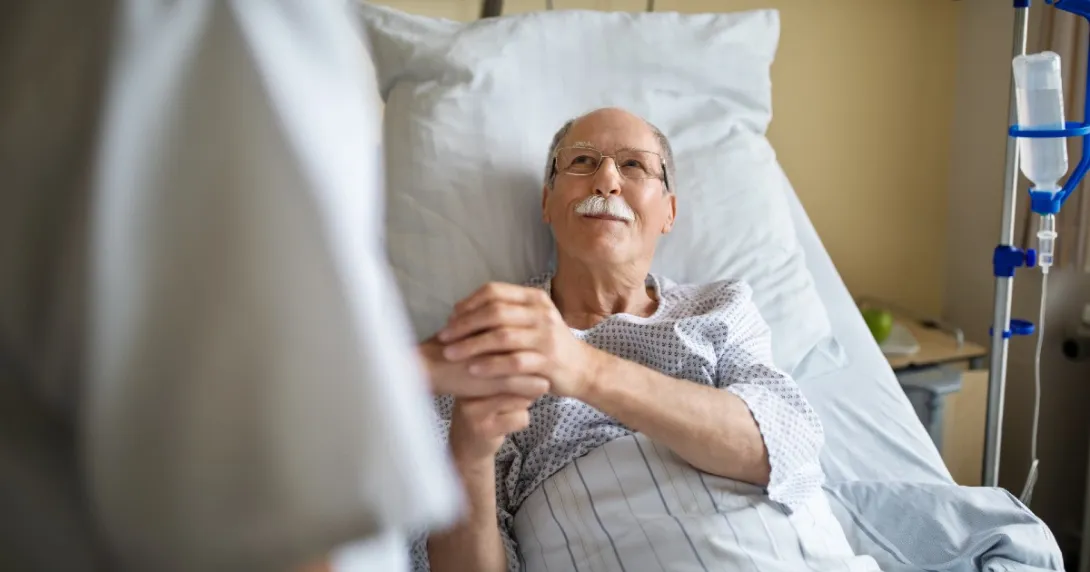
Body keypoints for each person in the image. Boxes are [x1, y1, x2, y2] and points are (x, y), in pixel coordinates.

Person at [413, 108, 874, 572]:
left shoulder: (720, 308)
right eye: (581, 162)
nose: (607, 180)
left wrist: (585, 370)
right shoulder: (493, 337)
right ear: (547, 202)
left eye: (633, 165)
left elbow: (784, 445)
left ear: (669, 212)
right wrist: (468, 461)